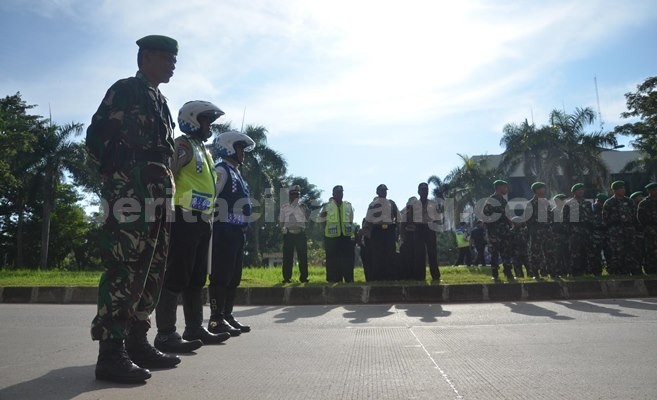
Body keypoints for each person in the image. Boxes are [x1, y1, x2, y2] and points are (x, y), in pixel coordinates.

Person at [86, 35, 181, 384]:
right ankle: (110, 353)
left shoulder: (161, 100)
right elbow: (96, 138)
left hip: (159, 193)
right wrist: (118, 180)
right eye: (167, 58)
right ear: (146, 58)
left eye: (174, 59)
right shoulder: (126, 90)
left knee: (153, 267)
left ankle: (138, 341)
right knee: (125, 266)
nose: (173, 64)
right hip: (131, 191)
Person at [153, 101, 230, 354]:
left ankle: (194, 328)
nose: (210, 127)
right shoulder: (183, 145)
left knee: (196, 279)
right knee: (175, 276)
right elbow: (169, 174)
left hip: (202, 220)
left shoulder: (204, 150)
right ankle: (165, 334)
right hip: (183, 217)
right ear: (193, 120)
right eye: (207, 121)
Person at [208, 130, 256, 336]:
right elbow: (212, 196)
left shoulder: (237, 173)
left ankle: (227, 315)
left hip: (237, 232)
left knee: (234, 276)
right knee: (221, 275)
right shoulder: (221, 170)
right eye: (239, 148)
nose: (242, 153)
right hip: (222, 231)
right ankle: (216, 318)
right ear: (228, 147)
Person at [362, 184, 399, 280]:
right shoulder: (373, 204)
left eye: (385, 190)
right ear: (377, 192)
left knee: (390, 254)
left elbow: (398, 218)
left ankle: (391, 276)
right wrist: (367, 233)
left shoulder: (391, 203)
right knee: (377, 255)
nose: (384, 192)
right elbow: (368, 220)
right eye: (382, 190)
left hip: (389, 230)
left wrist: (397, 232)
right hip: (377, 231)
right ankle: (378, 277)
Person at [320, 186, 356, 283]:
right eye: (337, 192)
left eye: (341, 192)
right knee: (333, 260)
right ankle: (334, 279)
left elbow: (351, 220)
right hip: (332, 237)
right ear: (333, 194)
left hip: (345, 236)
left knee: (347, 259)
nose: (340, 194)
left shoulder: (348, 205)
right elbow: (322, 220)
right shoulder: (327, 206)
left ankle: (349, 278)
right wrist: (326, 231)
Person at [408, 183, 441, 282]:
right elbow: (410, 217)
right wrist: (413, 226)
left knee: (432, 252)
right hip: (419, 228)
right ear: (418, 191)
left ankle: (435, 275)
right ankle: (420, 276)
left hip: (430, 228)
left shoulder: (433, 203)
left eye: (426, 189)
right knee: (419, 253)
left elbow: (437, 217)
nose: (424, 191)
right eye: (422, 190)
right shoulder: (414, 205)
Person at [602, 181, 637, 275]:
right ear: (615, 190)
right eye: (621, 188)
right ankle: (617, 271)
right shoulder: (609, 202)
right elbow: (605, 218)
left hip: (629, 230)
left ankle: (630, 270)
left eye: (623, 188)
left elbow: (634, 215)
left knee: (630, 250)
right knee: (617, 252)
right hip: (616, 231)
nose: (623, 190)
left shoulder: (629, 201)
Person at [483, 180, 513, 280]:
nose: (506, 189)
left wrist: (510, 224)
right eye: (505, 187)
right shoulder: (491, 200)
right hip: (494, 233)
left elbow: (507, 215)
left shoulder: (504, 201)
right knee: (494, 253)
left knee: (506, 253)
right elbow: (486, 217)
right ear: (499, 187)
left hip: (504, 231)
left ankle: (508, 272)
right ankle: (495, 274)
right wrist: (492, 230)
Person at [279, 185, 310, 283]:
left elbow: (307, 219)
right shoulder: (285, 208)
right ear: (290, 196)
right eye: (293, 194)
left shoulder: (303, 207)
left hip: (300, 234)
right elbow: (281, 222)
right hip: (289, 234)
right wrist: (283, 229)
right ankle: (287, 278)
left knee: (303, 257)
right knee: (288, 257)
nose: (295, 196)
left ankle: (304, 277)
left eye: (297, 195)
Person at [563, 184, 595, 276]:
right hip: (574, 231)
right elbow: (564, 220)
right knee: (575, 252)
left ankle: (586, 271)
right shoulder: (568, 204)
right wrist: (570, 231)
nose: (581, 191)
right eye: (579, 190)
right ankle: (575, 272)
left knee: (586, 251)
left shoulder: (587, 203)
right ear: (574, 192)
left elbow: (591, 217)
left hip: (586, 230)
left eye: (582, 190)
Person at [525, 182, 551, 279]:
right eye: (541, 188)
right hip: (536, 232)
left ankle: (546, 271)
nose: (544, 190)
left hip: (547, 231)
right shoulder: (530, 204)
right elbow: (527, 219)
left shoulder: (546, 202)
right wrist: (533, 229)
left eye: (544, 188)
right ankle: (535, 273)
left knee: (548, 251)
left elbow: (550, 216)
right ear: (536, 190)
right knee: (535, 253)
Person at [637, 183, 657, 274]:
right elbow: (640, 218)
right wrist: (649, 226)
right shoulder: (644, 203)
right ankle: (650, 270)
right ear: (649, 191)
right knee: (650, 250)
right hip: (650, 230)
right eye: (654, 190)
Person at [550, 193, 569, 277]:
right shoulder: (553, 211)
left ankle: (567, 271)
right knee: (558, 255)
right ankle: (558, 271)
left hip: (566, 236)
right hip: (557, 236)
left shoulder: (567, 211)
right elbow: (553, 225)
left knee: (566, 254)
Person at [399, 197, 418, 280]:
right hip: (408, 237)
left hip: (415, 237)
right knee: (408, 256)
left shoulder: (417, 214)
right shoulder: (405, 214)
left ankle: (415, 274)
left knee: (416, 256)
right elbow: (401, 228)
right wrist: (403, 239)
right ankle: (408, 274)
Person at [591, 193, 609, 274]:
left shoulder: (606, 209)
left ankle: (612, 270)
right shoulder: (591, 209)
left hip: (606, 234)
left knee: (609, 253)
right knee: (595, 254)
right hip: (595, 234)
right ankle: (596, 271)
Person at [630, 191, 646, 274]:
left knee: (644, 252)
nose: (641, 198)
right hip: (635, 234)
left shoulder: (643, 207)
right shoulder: (632, 209)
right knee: (637, 253)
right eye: (639, 197)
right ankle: (636, 270)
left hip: (644, 233)